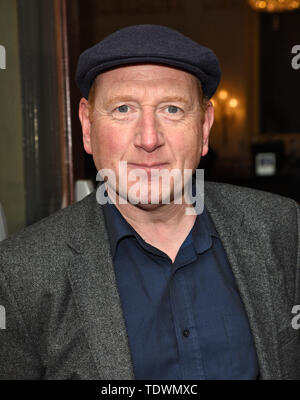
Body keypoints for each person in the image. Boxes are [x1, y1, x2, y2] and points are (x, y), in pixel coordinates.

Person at [0, 24, 299, 380]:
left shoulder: (281, 227)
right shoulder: (22, 273)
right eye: (123, 108)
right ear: (86, 125)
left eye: (172, 109)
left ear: (204, 127)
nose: (148, 138)